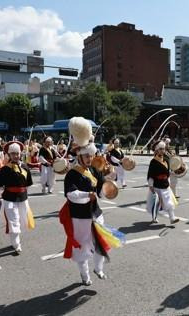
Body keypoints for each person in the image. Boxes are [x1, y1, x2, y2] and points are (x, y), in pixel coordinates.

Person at [60, 117, 117, 286]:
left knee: (101, 241)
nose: (90, 158)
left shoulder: (94, 169)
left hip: (96, 213)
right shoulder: (72, 174)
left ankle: (98, 268)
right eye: (87, 156)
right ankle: (85, 276)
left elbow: (100, 189)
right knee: (83, 248)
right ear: (80, 156)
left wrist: (110, 184)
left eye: (91, 155)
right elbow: (71, 195)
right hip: (79, 216)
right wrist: (87, 195)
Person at [0, 141, 34, 254]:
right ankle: (16, 244)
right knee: (14, 221)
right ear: (9, 155)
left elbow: (28, 184)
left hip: (23, 198)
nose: (16, 155)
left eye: (17, 153)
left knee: (21, 220)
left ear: (20, 154)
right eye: (13, 153)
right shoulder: (5, 169)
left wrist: (25, 194)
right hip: (9, 198)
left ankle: (14, 240)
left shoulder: (25, 166)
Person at [146, 140, 180, 225]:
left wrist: (174, 172)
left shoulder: (166, 160)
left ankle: (172, 218)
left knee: (169, 201)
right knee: (156, 203)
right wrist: (151, 185)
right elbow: (151, 174)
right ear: (157, 150)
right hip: (157, 185)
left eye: (163, 149)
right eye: (160, 149)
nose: (162, 150)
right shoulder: (153, 162)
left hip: (165, 184)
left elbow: (168, 172)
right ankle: (154, 217)